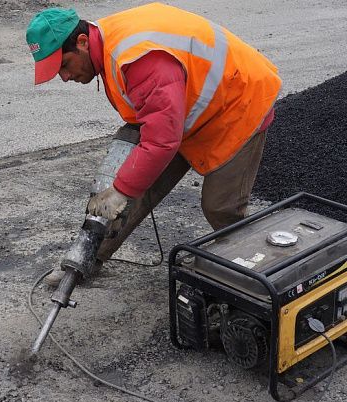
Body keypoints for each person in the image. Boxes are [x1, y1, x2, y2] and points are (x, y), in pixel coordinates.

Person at [26, 3, 282, 286]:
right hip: (185, 110)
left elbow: (161, 142)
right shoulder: (108, 43)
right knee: (131, 176)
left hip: (237, 104)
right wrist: (122, 185)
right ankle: (88, 257)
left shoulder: (138, 58)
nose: (64, 77)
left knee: (220, 206)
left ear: (83, 42)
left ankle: (262, 274)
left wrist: (120, 191)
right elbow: (157, 129)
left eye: (64, 65)